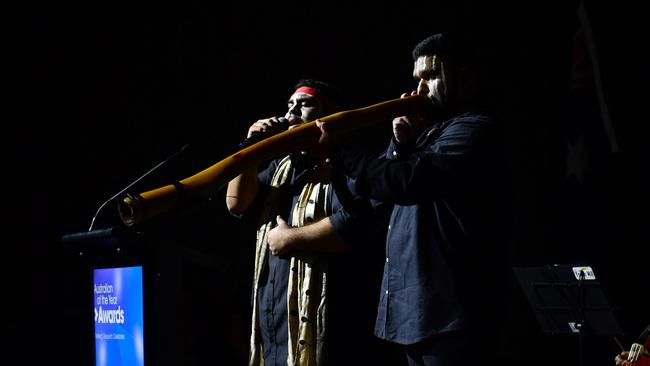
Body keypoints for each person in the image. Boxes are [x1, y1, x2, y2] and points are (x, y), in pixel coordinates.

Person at [317, 32, 511, 366]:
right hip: (415, 317)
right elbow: (373, 194)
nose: (419, 89)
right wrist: (401, 146)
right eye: (417, 79)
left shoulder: (474, 128)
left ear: (464, 77)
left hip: (454, 316)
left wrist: (341, 149)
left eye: (431, 76)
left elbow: (407, 182)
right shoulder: (427, 137)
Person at [226, 79, 388, 366]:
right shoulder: (281, 167)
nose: (292, 110)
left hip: (334, 322)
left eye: (304, 103)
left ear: (329, 113)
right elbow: (236, 203)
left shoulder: (350, 162)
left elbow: (355, 223)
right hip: (275, 323)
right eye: (289, 104)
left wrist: (291, 238)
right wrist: (250, 149)